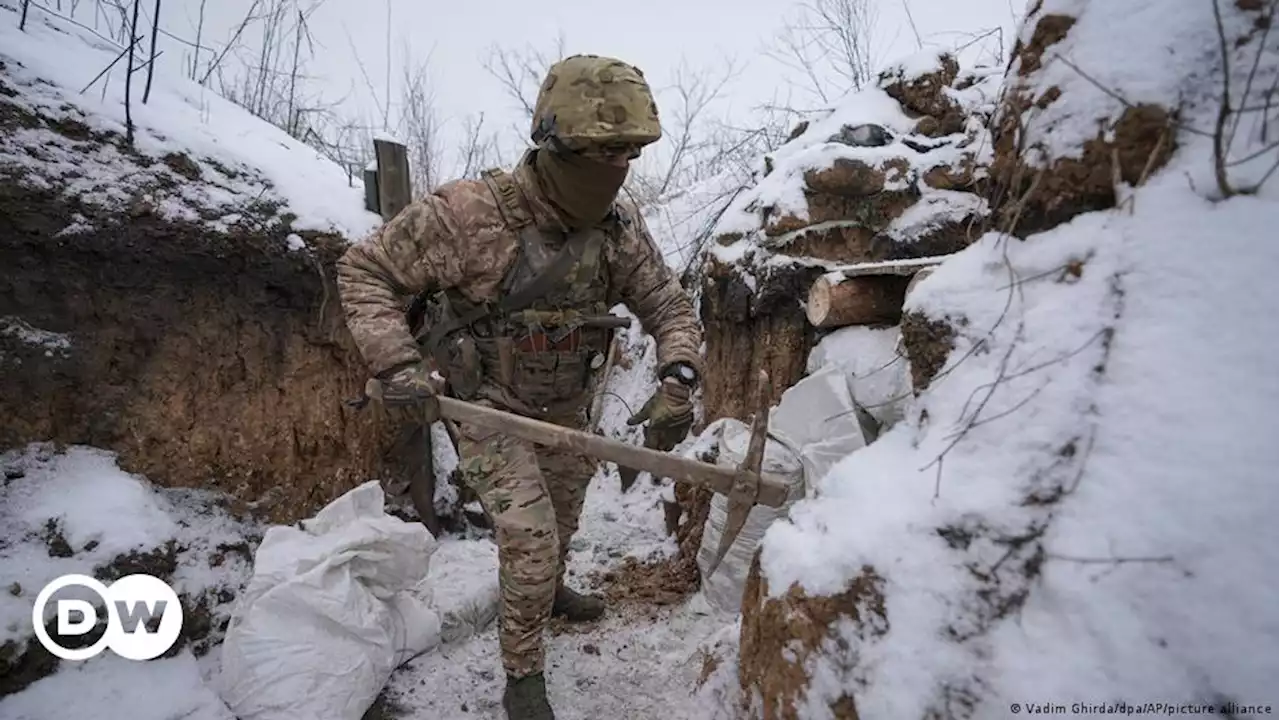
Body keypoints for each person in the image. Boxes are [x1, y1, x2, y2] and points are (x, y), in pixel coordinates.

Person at [334, 54, 705, 719]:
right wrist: (397, 366)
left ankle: (552, 590)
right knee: (530, 535)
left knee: (562, 522)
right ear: (553, 141)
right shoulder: (469, 215)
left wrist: (678, 373)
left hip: (567, 410)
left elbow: (669, 305)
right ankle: (523, 674)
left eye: (626, 154)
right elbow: (366, 272)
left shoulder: (618, 230)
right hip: (486, 408)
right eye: (598, 152)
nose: (613, 169)